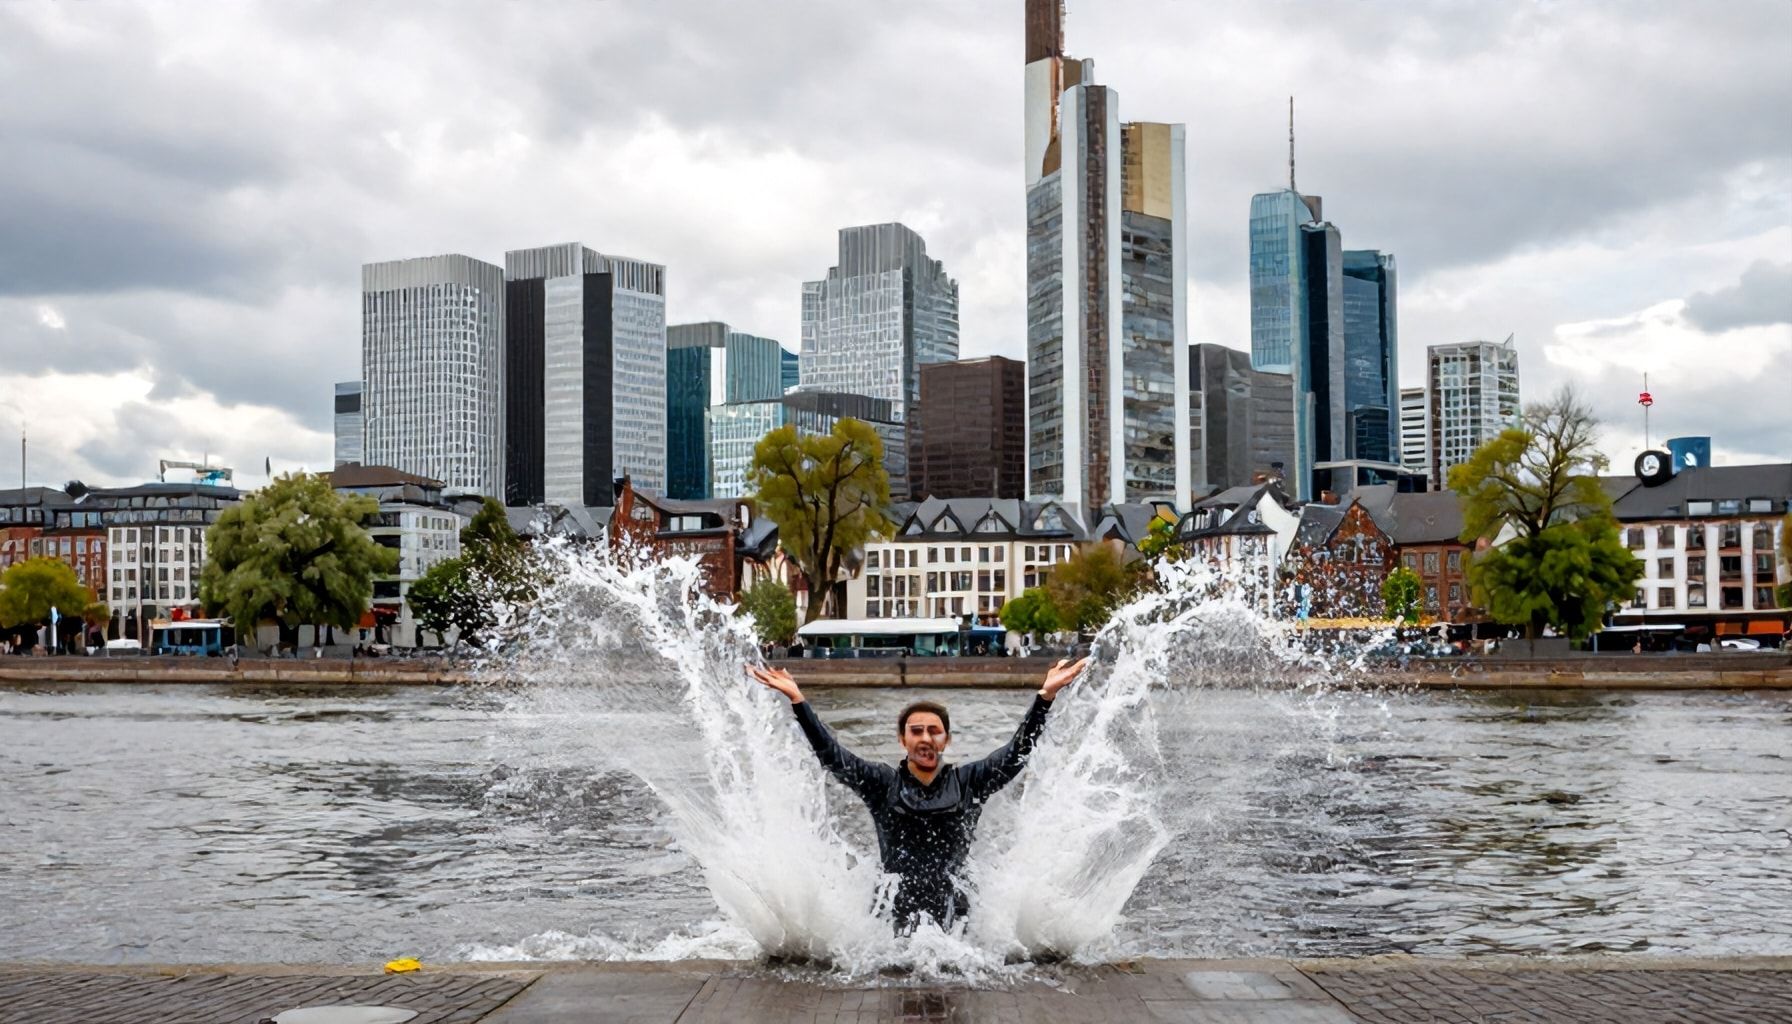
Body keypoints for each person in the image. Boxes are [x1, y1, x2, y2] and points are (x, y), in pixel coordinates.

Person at [748, 657, 1090, 931]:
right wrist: (798, 701)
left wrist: (1045, 698)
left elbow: (1016, 754)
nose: (925, 738)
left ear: (946, 740)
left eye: (934, 731)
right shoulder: (881, 783)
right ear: (903, 739)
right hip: (892, 916)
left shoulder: (970, 781)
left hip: (955, 916)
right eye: (916, 731)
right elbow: (832, 756)